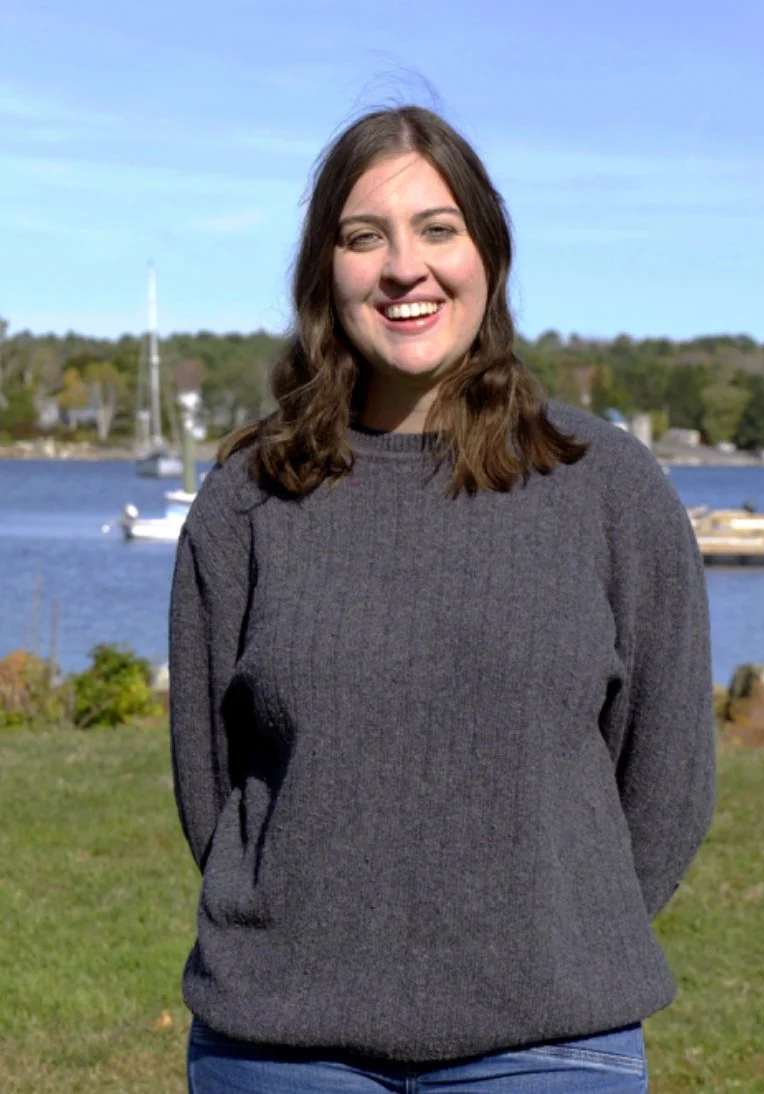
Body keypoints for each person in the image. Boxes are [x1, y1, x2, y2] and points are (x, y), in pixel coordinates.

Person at [168, 105, 716, 1094]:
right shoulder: (249, 496)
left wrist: (556, 942)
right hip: (282, 1045)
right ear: (322, 271)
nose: (402, 268)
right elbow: (211, 782)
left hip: (549, 1045)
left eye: (436, 228)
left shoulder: (607, 487)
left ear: (487, 254)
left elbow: (667, 772)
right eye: (361, 235)